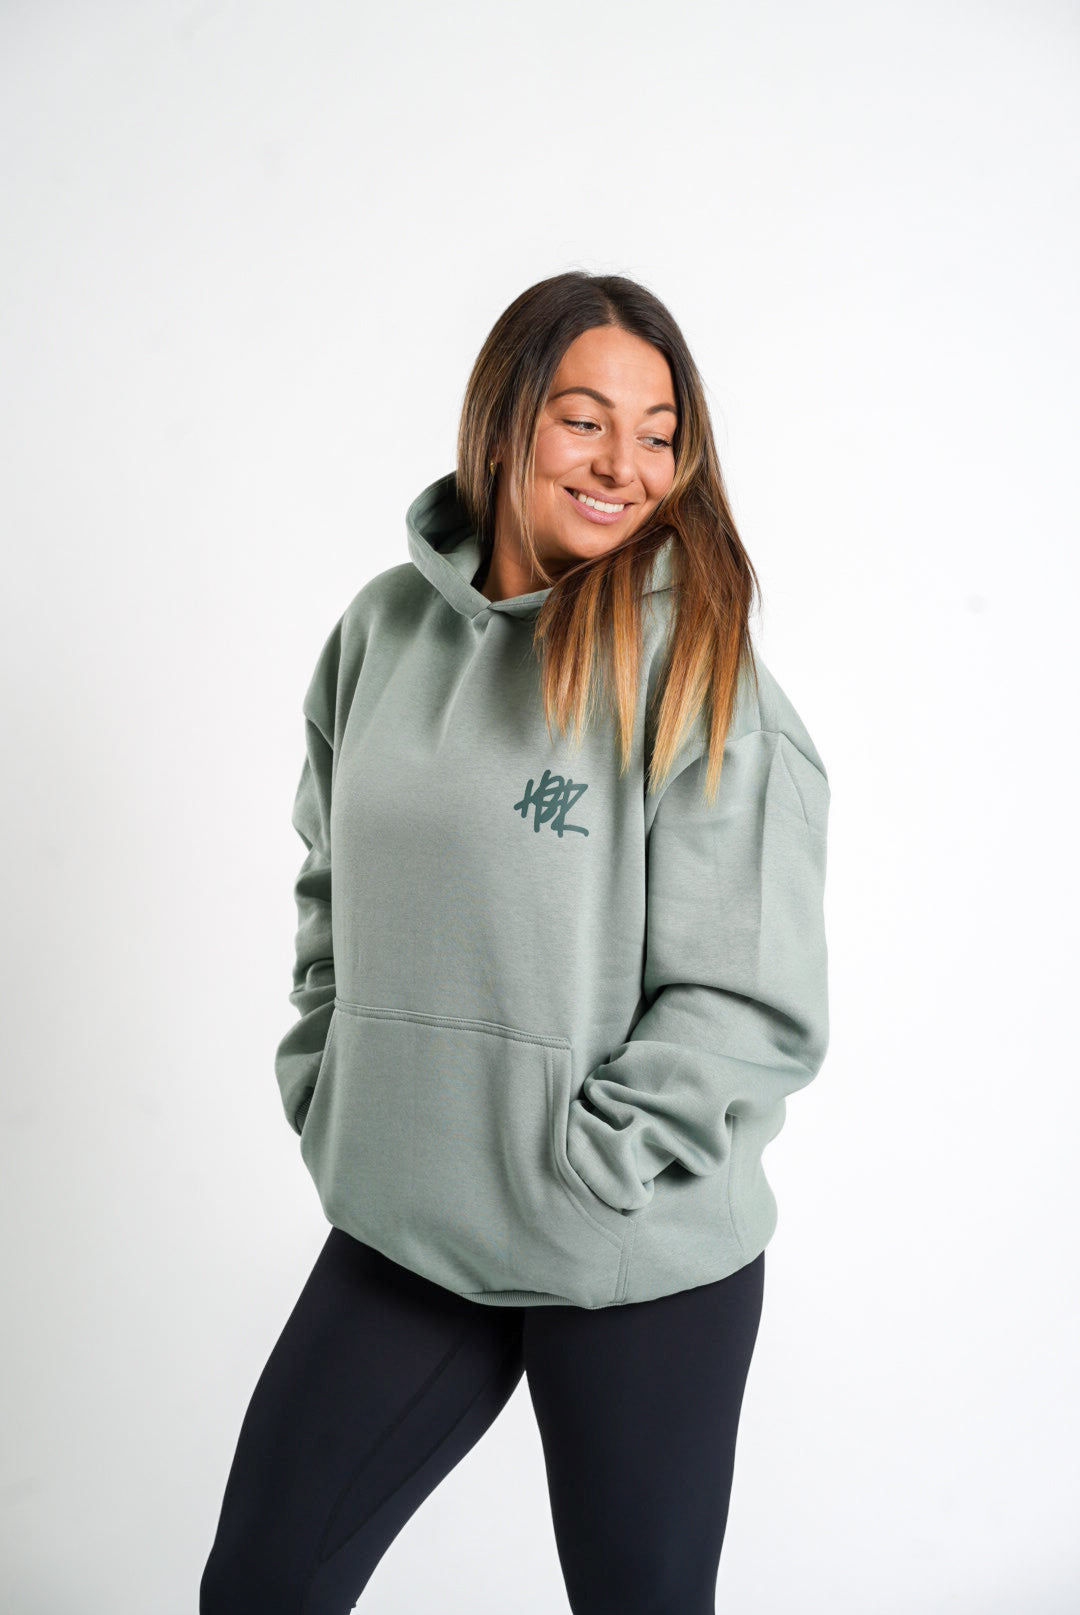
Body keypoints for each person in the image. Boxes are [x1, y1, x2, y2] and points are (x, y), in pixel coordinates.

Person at [200, 271, 831, 1614]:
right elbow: (331, 885)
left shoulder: (699, 668)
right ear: (505, 420)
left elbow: (751, 996)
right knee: (262, 1585)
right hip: (407, 1218)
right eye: (584, 419)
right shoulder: (381, 633)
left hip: (626, 1249)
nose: (622, 465)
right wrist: (334, 1079)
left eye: (659, 433)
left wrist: (593, 1160)